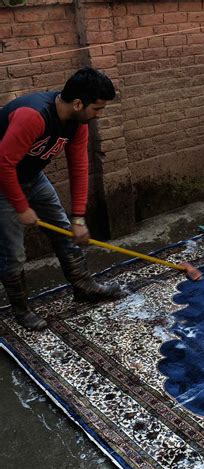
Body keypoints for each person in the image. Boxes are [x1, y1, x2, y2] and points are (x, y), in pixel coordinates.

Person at [0, 67, 123, 331]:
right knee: (14, 253)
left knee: (65, 231)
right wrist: (21, 207)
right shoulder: (32, 116)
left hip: (32, 177)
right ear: (78, 104)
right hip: (2, 180)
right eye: (98, 109)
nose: (99, 115)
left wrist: (78, 217)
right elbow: (3, 165)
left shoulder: (77, 123)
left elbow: (78, 166)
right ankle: (22, 311)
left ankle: (84, 287)